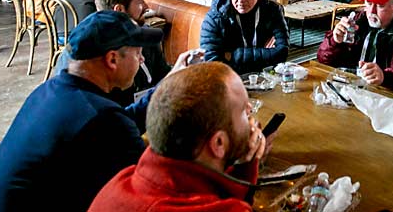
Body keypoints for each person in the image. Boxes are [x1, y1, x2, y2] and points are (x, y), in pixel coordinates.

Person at [0, 11, 163, 212]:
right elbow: (151, 185)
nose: (142, 60)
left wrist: (166, 89)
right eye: (137, 53)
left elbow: (121, 125)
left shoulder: (51, 92)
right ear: (112, 59)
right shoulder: (101, 119)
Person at [88, 62, 271, 212]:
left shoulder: (122, 180)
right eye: (243, 111)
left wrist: (243, 168)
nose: (250, 112)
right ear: (218, 142)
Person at [199, 0, 289, 74]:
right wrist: (266, 53)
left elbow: (282, 52)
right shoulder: (215, 17)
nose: (241, 0)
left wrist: (232, 55)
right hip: (229, 78)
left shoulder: (273, 11)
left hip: (265, 77)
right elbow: (211, 62)